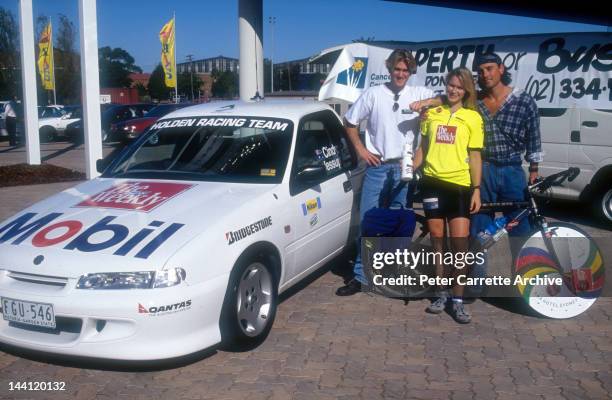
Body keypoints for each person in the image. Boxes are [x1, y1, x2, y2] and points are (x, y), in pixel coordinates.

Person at [411, 52, 543, 296]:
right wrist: (427, 103)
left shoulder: (523, 100)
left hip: (512, 170)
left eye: (490, 68)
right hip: (483, 169)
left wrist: (534, 169)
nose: (486, 74)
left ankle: (527, 282)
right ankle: (475, 282)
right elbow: (448, 96)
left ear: (501, 69)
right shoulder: (475, 101)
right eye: (481, 71)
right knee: (478, 231)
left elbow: (534, 137)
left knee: (520, 227)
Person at [336, 49, 434, 296]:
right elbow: (349, 123)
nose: (401, 74)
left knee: (398, 223)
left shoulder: (419, 93)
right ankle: (361, 275)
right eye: (397, 69)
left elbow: (447, 98)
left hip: (405, 165)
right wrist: (361, 151)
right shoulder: (373, 94)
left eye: (405, 70)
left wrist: (425, 105)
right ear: (389, 69)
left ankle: (391, 273)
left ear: (411, 72)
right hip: (377, 167)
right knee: (369, 222)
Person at [412, 67, 483, 324]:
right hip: (432, 185)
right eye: (451, 85)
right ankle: (441, 294)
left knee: (460, 245)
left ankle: (458, 300)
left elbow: (475, 156)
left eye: (459, 87)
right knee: (439, 243)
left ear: (466, 91)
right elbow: (423, 148)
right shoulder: (432, 114)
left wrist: (476, 189)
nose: (454, 90)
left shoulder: (473, 118)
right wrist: (410, 168)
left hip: (461, 188)